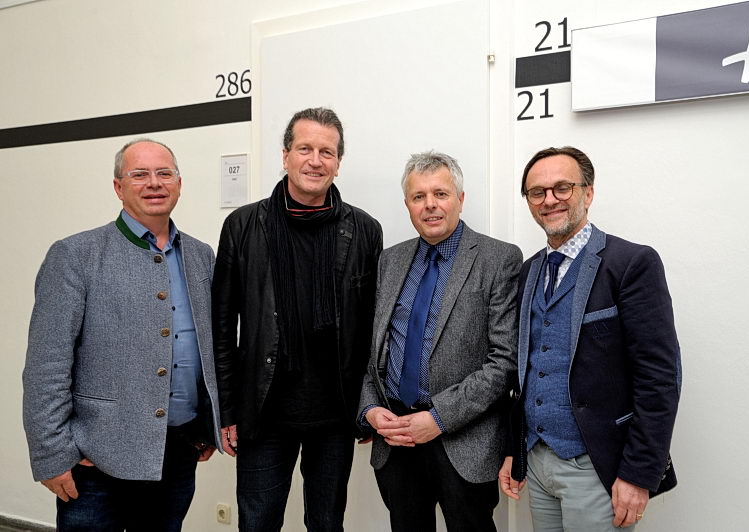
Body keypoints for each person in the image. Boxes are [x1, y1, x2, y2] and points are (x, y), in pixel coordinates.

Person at [22, 139, 222, 531]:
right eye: (140, 174)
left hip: (178, 452)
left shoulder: (201, 256)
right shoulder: (75, 255)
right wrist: (52, 455)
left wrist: (208, 424)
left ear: (179, 183)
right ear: (118, 187)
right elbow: (47, 364)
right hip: (96, 460)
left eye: (164, 173)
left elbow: (209, 347)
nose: (154, 183)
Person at [212, 107, 382, 531]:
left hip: (335, 414)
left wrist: (368, 404)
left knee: (327, 524)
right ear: (285, 155)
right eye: (305, 148)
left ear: (338, 163)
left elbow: (372, 329)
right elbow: (222, 328)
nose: (315, 160)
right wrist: (228, 409)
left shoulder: (365, 230)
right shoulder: (242, 226)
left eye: (327, 152)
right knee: (257, 523)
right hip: (263, 411)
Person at [498, 146, 681, 530]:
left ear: (588, 192)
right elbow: (525, 369)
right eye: (537, 192)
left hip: (598, 468)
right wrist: (516, 450)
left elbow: (659, 377)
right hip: (537, 462)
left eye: (562, 188)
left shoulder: (631, 263)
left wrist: (637, 474)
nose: (550, 200)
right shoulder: (529, 270)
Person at [359, 151, 521, 532]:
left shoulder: (498, 259)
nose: (429, 205)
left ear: (460, 199)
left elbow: (504, 361)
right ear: (407, 205)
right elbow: (371, 351)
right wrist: (369, 409)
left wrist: (438, 418)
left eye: (440, 194)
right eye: (419, 196)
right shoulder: (390, 261)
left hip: (463, 443)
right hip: (396, 440)